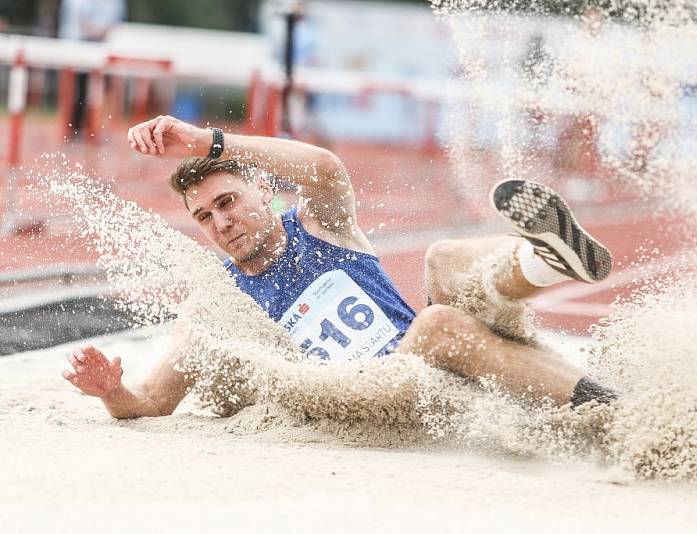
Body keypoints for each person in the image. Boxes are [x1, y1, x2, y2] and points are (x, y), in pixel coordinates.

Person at [62, 115, 617, 418]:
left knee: (443, 258)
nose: (221, 222)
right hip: (386, 400)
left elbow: (324, 168)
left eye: (228, 201)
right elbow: (154, 401)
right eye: (205, 217)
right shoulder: (220, 302)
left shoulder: (319, 227)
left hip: (442, 360)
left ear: (262, 191)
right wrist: (112, 391)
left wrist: (206, 141)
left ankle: (544, 262)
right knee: (436, 323)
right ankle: (607, 409)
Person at [58, 0, 126, 139]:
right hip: (78, 51)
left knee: (102, 93)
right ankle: (76, 129)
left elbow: (114, 22)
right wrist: (97, 31)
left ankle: (97, 130)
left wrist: (100, 31)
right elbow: (81, 22)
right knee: (79, 93)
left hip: (102, 51)